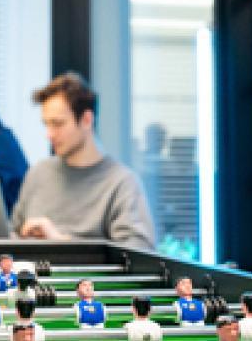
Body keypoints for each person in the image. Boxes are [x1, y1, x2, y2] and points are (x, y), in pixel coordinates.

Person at [10, 73, 156, 249]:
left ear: (87, 120)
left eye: (58, 124)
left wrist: (61, 242)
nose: (49, 134)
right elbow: (13, 234)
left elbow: (140, 252)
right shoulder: (38, 173)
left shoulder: (121, 183)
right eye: (46, 124)